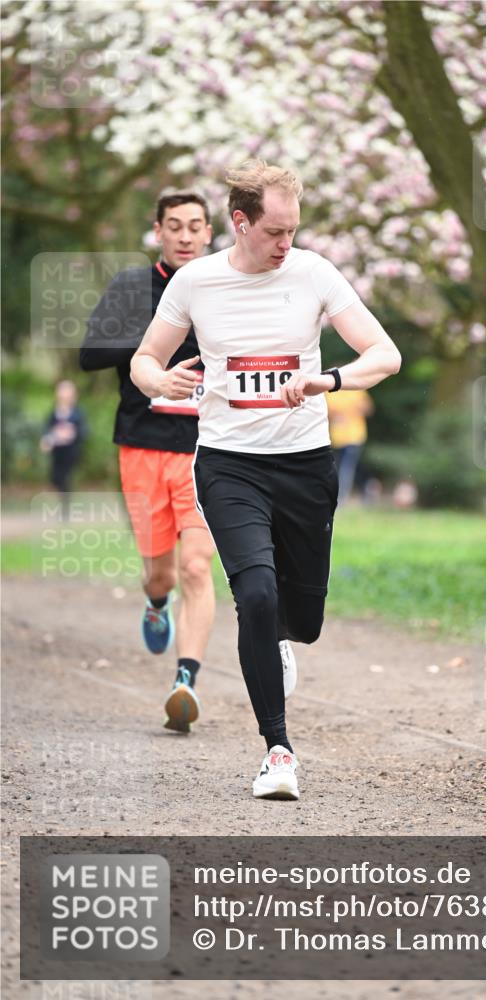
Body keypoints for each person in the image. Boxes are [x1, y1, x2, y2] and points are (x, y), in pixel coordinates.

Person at [131, 159, 401, 800]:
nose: (287, 243)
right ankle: (277, 751)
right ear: (241, 221)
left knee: (299, 616)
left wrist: (325, 380)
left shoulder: (313, 274)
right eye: (275, 231)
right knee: (254, 595)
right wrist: (158, 380)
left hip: (305, 465)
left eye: (294, 230)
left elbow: (384, 355)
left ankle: (280, 635)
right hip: (229, 464)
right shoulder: (196, 283)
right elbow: (146, 358)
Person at [79, 190, 217, 734]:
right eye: (175, 226)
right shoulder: (132, 288)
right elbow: (89, 354)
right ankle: (156, 602)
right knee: (161, 571)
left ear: (211, 232)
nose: (185, 236)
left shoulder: (224, 286)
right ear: (157, 231)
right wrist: (156, 346)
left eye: (195, 226)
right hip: (141, 443)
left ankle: (185, 682)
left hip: (205, 447)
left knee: (197, 566)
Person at [41, 379, 87, 517]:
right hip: (57, 452)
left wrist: (72, 434)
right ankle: (62, 503)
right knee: (56, 478)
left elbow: (83, 432)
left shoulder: (77, 413)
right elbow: (47, 430)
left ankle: (65, 510)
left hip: (71, 452)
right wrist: (48, 439)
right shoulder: (54, 412)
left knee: (66, 479)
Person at [326, 388, 374, 503]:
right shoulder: (329, 392)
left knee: (346, 467)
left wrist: (358, 409)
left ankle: (341, 496)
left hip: (354, 436)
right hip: (337, 438)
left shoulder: (355, 390)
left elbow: (369, 409)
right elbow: (324, 412)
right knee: (345, 466)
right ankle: (368, 485)